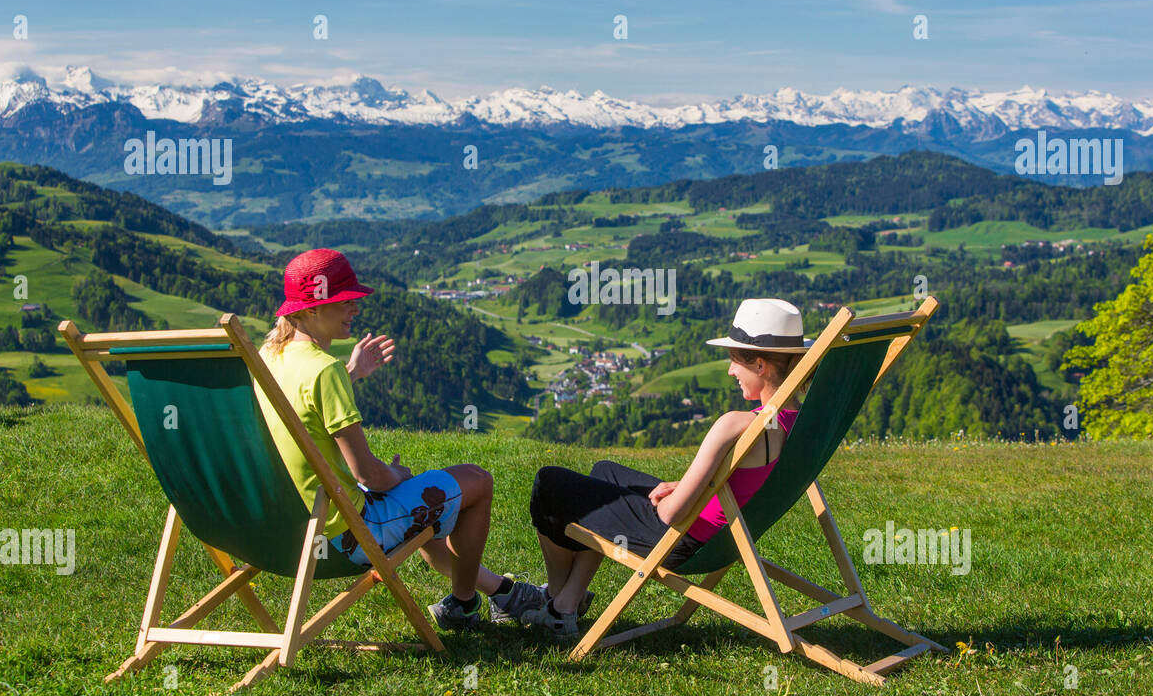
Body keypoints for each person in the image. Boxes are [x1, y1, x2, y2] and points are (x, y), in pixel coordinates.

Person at [253, 248, 543, 630]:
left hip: (281, 530)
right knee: (476, 480)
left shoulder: (268, 357)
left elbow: (299, 412)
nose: (355, 308)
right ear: (310, 310)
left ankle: (502, 592)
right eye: (344, 302)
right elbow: (369, 475)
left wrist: (351, 373)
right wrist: (398, 477)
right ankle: (464, 603)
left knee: (417, 506)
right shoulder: (323, 371)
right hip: (344, 536)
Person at [524, 298, 811, 639]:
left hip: (684, 539)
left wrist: (663, 501)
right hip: (726, 535)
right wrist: (686, 484)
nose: (731, 371)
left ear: (761, 365)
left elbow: (671, 516)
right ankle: (568, 600)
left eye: (735, 361)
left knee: (549, 484)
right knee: (604, 473)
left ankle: (558, 603)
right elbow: (744, 480)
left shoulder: (736, 425)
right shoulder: (800, 422)